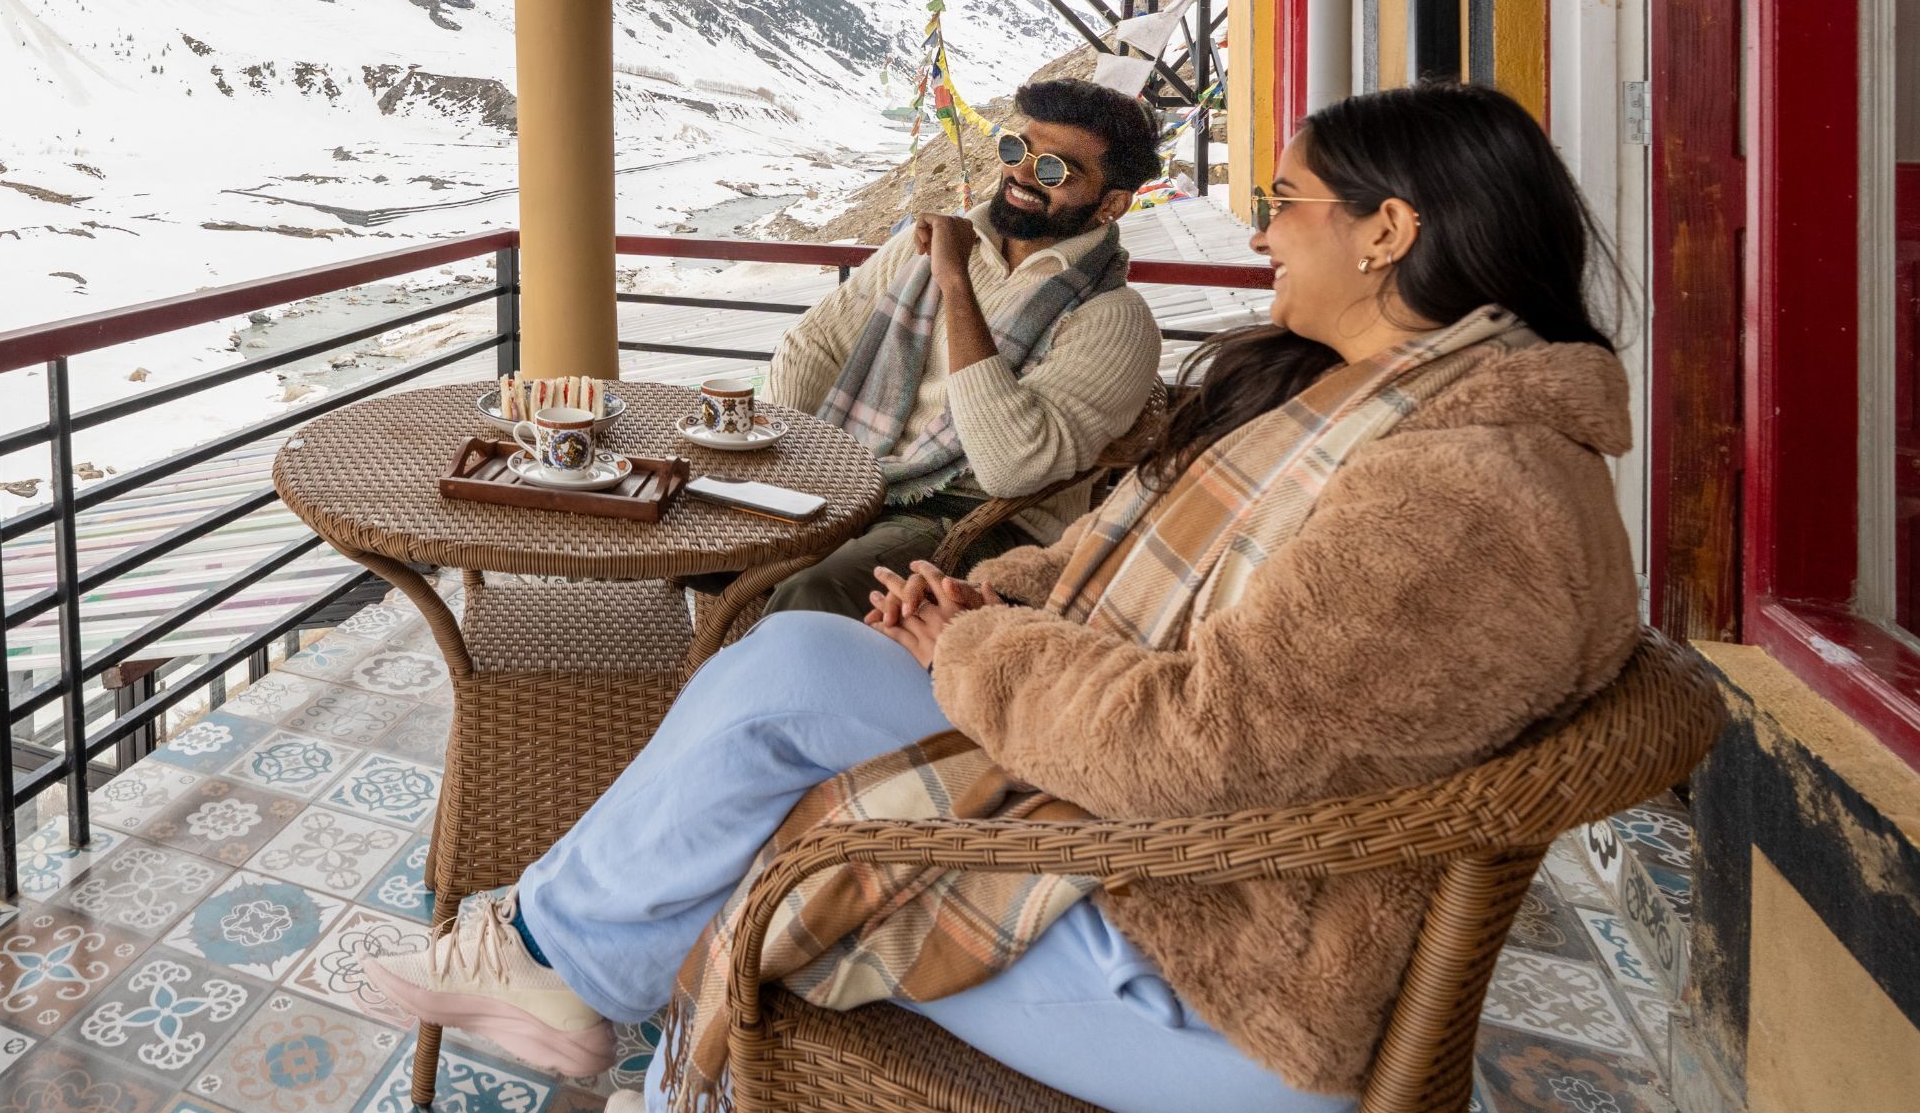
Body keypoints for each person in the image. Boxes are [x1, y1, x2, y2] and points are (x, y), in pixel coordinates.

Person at [368, 83, 1638, 1113]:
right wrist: (982, 596)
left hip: (1227, 980)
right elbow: (1132, 572)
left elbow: (1198, 743)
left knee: (748, 826)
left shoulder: (1467, 488)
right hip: (1170, 858)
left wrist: (972, 641)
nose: (1258, 234)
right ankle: (553, 959)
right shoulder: (1359, 402)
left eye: (1284, 201)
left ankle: (565, 968)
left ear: (1388, 230)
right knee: (791, 664)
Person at [756, 78, 1164, 618]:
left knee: (815, 590)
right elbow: (818, 342)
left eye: (1054, 171)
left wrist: (954, 280)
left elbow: (1010, 470)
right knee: (702, 536)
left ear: (1111, 203)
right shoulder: (929, 242)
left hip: (979, 518)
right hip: (865, 475)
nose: (1020, 174)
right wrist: (784, 463)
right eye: (1018, 149)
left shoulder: (1115, 320)